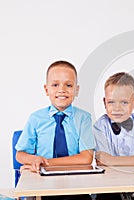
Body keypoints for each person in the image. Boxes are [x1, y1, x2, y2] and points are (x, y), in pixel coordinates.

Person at [16, 60, 94, 200]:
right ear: (46, 89)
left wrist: (45, 162)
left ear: (76, 90)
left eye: (69, 85)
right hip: (42, 184)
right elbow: (20, 154)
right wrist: (33, 160)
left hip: (75, 185)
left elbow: (86, 158)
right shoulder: (36, 118)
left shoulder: (84, 118)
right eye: (55, 85)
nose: (62, 90)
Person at [93, 72, 134, 200]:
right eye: (111, 102)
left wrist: (112, 160)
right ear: (104, 102)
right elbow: (103, 161)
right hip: (109, 190)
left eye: (124, 102)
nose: (117, 108)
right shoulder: (100, 126)